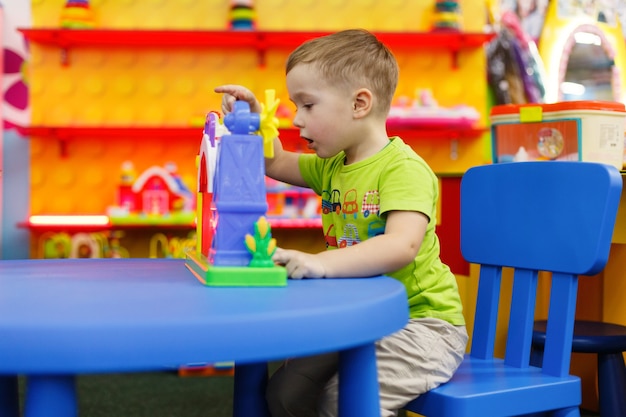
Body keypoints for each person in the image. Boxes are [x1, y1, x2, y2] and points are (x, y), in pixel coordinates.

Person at [215, 28, 468, 417]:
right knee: (286, 392)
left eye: (308, 105)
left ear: (359, 104)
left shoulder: (404, 169)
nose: (296, 119)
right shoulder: (332, 165)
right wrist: (252, 122)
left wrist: (322, 262)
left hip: (421, 326)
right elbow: (274, 161)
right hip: (357, 319)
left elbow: (401, 246)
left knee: (340, 402)